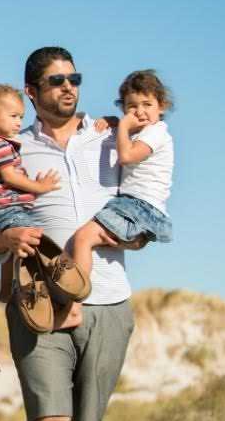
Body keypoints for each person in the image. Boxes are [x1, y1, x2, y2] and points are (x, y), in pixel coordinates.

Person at [0, 47, 136, 421]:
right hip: (38, 304)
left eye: (74, 79)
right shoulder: (12, 149)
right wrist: (8, 240)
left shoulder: (110, 138)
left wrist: (133, 238)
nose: (69, 87)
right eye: (57, 80)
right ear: (31, 91)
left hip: (109, 301)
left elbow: (144, 210)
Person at [72, 70, 174, 278]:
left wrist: (123, 126)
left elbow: (127, 156)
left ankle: (74, 299)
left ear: (161, 106)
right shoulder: (140, 132)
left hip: (140, 206)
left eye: (147, 104)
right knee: (89, 238)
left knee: (83, 238)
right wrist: (117, 124)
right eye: (132, 106)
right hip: (137, 207)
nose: (139, 111)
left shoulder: (157, 132)